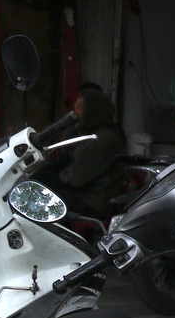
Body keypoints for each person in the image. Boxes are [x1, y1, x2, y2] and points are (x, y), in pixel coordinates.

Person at [48, 84, 128, 218]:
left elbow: (75, 178)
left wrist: (59, 176)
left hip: (93, 202)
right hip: (88, 196)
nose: (74, 116)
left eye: (78, 111)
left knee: (40, 195)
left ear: (91, 113)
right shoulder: (95, 135)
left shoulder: (104, 139)